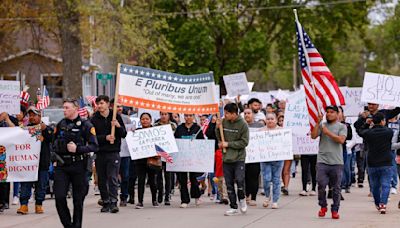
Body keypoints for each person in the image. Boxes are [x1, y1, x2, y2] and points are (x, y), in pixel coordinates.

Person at [53, 98, 98, 228]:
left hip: (79, 165)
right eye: (64, 107)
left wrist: (78, 149)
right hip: (62, 166)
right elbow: (53, 144)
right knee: (60, 197)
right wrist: (54, 159)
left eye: (67, 107)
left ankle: (77, 225)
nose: (64, 110)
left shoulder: (86, 125)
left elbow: (94, 147)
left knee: (78, 201)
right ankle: (68, 225)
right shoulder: (60, 124)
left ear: (75, 109)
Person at [91, 95, 127, 213]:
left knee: (112, 177)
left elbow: (124, 134)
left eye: (101, 103)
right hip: (100, 152)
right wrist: (105, 137)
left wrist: (117, 126)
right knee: (102, 178)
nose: (99, 106)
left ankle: (113, 202)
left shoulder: (116, 116)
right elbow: (92, 137)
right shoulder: (94, 119)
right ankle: (105, 201)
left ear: (107, 104)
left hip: (113, 152)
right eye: (98, 104)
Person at [311, 105, 347, 219]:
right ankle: (323, 206)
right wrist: (318, 123)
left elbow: (341, 140)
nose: (329, 114)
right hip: (322, 160)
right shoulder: (323, 125)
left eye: (332, 112)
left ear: (337, 114)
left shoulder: (342, 126)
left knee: (336, 188)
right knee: (321, 185)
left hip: (336, 162)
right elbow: (313, 136)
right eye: (328, 112)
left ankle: (335, 209)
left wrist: (328, 133)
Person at [16, 107, 53, 214]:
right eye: (30, 115)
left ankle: (39, 205)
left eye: (34, 115)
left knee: (41, 184)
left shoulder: (46, 128)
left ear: (39, 116)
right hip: (28, 163)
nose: (31, 117)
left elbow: (51, 138)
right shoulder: (24, 130)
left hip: (42, 162)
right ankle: (24, 205)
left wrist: (44, 128)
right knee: (25, 184)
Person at [354, 103, 400, 188]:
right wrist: (362, 118)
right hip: (369, 147)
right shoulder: (364, 115)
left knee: (388, 166)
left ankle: (388, 187)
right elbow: (356, 127)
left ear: (378, 105)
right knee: (370, 169)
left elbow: (397, 110)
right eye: (369, 104)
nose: (370, 106)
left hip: (385, 146)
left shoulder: (384, 113)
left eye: (373, 104)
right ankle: (373, 189)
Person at [216, 103, 249, 216]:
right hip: (227, 159)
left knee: (240, 180)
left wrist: (228, 144)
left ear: (234, 113)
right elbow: (220, 138)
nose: (224, 115)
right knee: (229, 184)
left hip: (239, 158)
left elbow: (244, 142)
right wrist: (217, 127)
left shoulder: (243, 125)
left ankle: (242, 199)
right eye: (224, 113)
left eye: (227, 113)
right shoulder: (224, 122)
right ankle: (233, 206)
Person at [358, 112, 393, 214]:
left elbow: (360, 131)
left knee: (375, 186)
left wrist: (367, 124)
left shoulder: (368, 133)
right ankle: (383, 204)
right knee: (386, 184)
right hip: (386, 162)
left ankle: (378, 204)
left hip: (372, 162)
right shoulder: (389, 132)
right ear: (383, 121)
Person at [174, 113, 205, 208]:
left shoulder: (197, 128)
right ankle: (184, 200)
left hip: (194, 158)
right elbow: (175, 141)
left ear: (193, 117)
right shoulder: (179, 128)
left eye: (190, 116)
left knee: (194, 178)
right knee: (182, 179)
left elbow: (202, 143)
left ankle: (196, 196)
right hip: (182, 158)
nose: (188, 118)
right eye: (186, 116)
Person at [260, 113, 284, 209]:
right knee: (266, 179)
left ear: (276, 120)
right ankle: (267, 196)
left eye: (272, 119)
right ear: (265, 120)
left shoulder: (282, 131)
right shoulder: (261, 131)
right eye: (268, 119)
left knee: (276, 179)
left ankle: (275, 200)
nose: (270, 120)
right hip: (265, 159)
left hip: (277, 159)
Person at [134, 113, 158, 209]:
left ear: (151, 120)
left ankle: (154, 200)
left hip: (152, 160)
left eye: (147, 119)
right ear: (140, 121)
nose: (145, 121)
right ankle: (140, 201)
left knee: (153, 181)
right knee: (141, 181)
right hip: (140, 161)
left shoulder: (155, 131)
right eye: (143, 119)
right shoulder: (136, 132)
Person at [154, 111, 177, 205]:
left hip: (169, 153)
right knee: (158, 175)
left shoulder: (173, 125)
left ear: (169, 115)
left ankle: (167, 196)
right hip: (158, 153)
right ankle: (160, 193)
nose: (163, 116)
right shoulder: (155, 125)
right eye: (162, 114)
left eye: (165, 114)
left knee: (168, 176)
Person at [243, 108, 264, 206]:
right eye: (245, 113)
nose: (247, 115)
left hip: (255, 156)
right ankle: (247, 195)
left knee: (254, 176)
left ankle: (254, 198)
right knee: (245, 177)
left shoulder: (260, 126)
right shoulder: (241, 125)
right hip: (243, 155)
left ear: (253, 115)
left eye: (249, 113)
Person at [0, 111, 18, 212]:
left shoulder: (10, 117)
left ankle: (3, 202)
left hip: (4, 153)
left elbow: (15, 130)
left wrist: (6, 118)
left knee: (3, 178)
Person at [117, 104, 132, 207]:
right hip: (113, 152)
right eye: (116, 106)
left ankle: (124, 197)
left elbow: (131, 133)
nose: (119, 108)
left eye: (120, 106)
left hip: (125, 152)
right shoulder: (108, 118)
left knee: (125, 176)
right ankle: (109, 196)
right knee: (111, 176)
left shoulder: (126, 119)